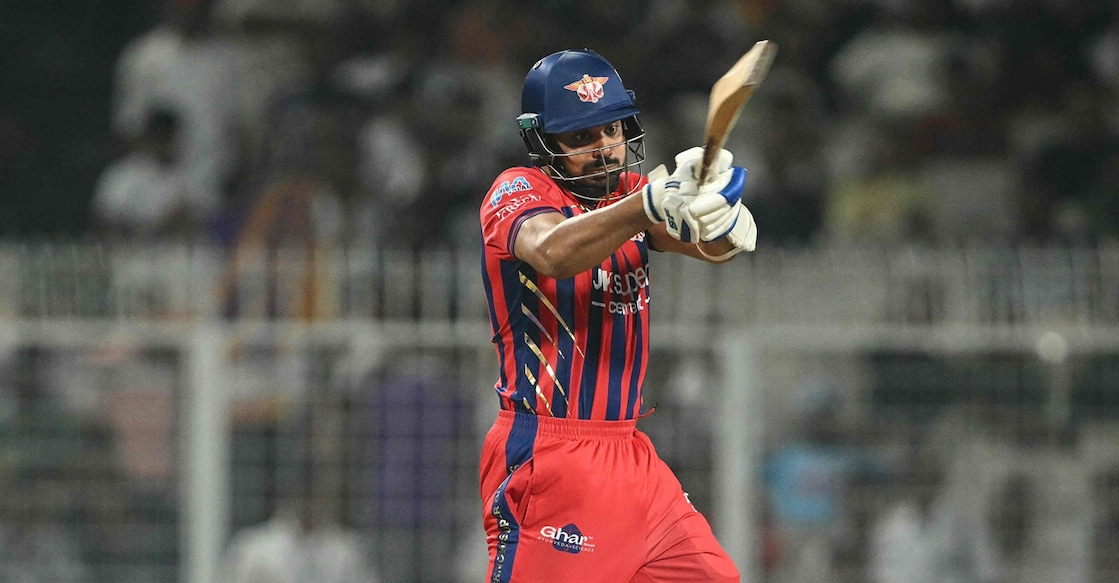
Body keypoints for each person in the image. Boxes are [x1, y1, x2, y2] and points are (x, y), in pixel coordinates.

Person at [477, 48, 757, 582]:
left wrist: (718, 210)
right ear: (541, 143)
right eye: (581, 138)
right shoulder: (518, 190)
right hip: (551, 455)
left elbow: (708, 245)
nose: (605, 148)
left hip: (632, 455)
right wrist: (649, 203)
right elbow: (553, 252)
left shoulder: (629, 194)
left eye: (611, 130)